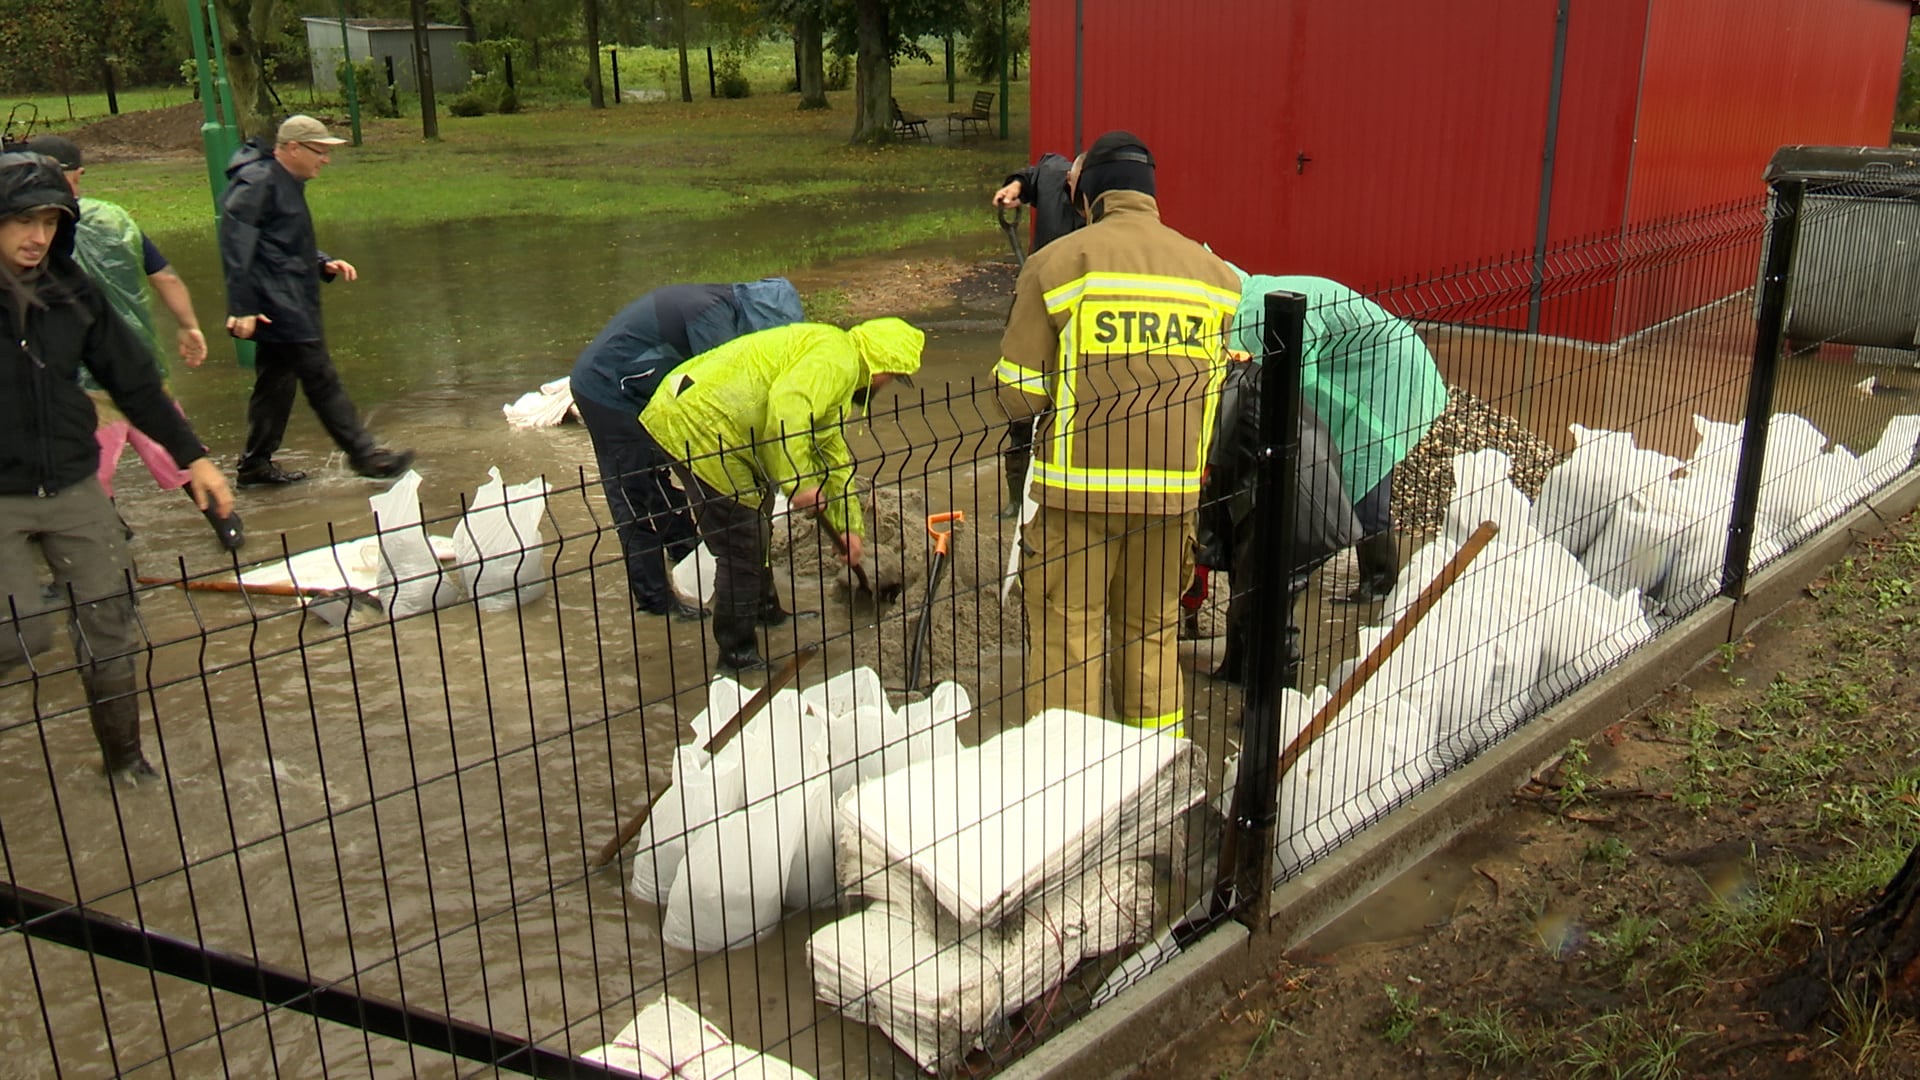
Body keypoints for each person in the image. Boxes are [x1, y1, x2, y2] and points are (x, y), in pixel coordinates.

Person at [995, 130, 1241, 737]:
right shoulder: (1217, 278)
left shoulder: (1054, 265)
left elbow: (1017, 394)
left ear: (1090, 197)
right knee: (1152, 636)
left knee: (1068, 635)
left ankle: (1071, 791)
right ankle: (1155, 780)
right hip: (1172, 495)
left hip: (1074, 498)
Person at [0, 151, 235, 783]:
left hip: (74, 486)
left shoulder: (73, 293)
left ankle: (126, 765)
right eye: (23, 221)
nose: (37, 237)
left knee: (111, 629)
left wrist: (194, 458)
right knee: (17, 634)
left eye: (50, 222)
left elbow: (133, 383)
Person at [642, 318, 924, 671]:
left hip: (712, 421)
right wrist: (799, 481)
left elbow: (833, 456)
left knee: (754, 519)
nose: (887, 386)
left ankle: (766, 611)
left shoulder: (839, 369)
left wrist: (850, 529)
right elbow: (787, 408)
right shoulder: (837, 360)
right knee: (741, 542)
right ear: (882, 365)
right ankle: (737, 658)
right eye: (894, 377)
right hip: (700, 422)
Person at [25, 135, 243, 552]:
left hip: (78, 377)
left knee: (91, 467)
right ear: (79, 176)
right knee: (169, 444)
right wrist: (189, 325)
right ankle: (225, 520)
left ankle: (104, 535)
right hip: (138, 363)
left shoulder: (26, 231)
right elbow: (165, 276)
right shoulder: (115, 219)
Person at [570, 279, 803, 617]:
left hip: (645, 389)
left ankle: (686, 554)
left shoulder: (728, 305)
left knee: (659, 481)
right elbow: (719, 394)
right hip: (608, 390)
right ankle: (657, 603)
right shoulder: (711, 318)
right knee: (636, 494)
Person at [1226, 274, 1448, 604]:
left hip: (1388, 370)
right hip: (1368, 367)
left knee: (1365, 461)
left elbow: (1293, 378)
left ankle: (1380, 581)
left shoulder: (1255, 310)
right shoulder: (1255, 297)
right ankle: (1373, 570)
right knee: (1352, 457)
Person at [219, 114, 411, 486]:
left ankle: (255, 464)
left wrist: (322, 262)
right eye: (319, 151)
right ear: (292, 148)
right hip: (279, 302)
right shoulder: (259, 181)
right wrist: (241, 307)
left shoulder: (283, 181)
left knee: (276, 383)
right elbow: (236, 242)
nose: (325, 159)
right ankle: (365, 455)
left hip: (287, 296)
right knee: (320, 378)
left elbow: (281, 240)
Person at [990, 153, 1085, 519]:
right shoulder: (1053, 175)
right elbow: (1031, 174)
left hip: (1076, 319)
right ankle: (1015, 499)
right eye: (1073, 183)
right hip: (1032, 308)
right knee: (1020, 402)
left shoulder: (1103, 213)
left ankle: (1058, 488)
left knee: (1069, 402)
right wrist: (1014, 186)